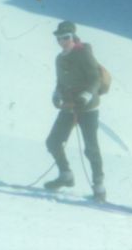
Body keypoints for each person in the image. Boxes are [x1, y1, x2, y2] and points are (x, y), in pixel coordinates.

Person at [43, 21, 106, 201]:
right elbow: (61, 81)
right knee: (53, 142)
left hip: (88, 109)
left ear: (73, 37)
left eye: (66, 37)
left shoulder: (84, 53)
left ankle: (99, 187)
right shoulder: (60, 58)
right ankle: (66, 175)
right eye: (59, 38)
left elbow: (95, 78)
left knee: (91, 148)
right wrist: (56, 93)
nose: (62, 41)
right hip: (69, 107)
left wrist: (86, 95)